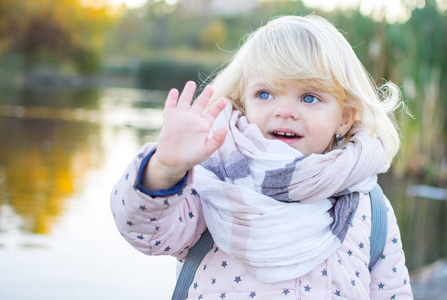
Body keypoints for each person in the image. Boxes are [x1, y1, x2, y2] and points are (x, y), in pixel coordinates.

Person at [111, 15, 413, 299]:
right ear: (244, 102)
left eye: (309, 97)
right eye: (265, 94)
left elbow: (393, 291)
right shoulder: (214, 180)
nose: (284, 111)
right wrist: (164, 170)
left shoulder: (368, 206)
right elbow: (145, 232)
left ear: (345, 118)